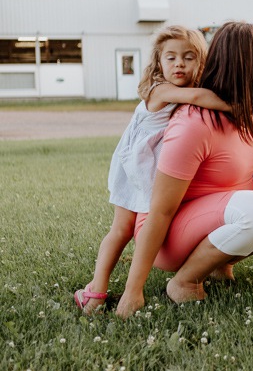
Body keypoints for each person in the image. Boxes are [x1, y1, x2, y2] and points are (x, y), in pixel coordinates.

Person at [115, 21, 253, 318]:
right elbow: (159, 210)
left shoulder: (250, 113)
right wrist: (133, 290)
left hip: (221, 216)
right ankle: (185, 280)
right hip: (170, 236)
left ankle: (219, 263)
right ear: (250, 66)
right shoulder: (194, 123)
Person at [74, 25, 230, 314]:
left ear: (201, 60)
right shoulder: (161, 90)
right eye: (170, 58)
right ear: (159, 62)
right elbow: (198, 98)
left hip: (155, 166)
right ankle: (95, 291)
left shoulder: (186, 89)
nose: (179, 64)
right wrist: (239, 105)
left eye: (188, 57)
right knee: (121, 229)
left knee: (145, 224)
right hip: (134, 165)